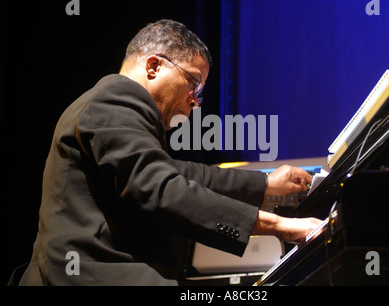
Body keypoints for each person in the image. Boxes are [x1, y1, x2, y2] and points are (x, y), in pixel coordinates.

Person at [16, 19, 321, 285]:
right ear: (153, 66)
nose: (196, 102)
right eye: (194, 85)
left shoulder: (119, 110)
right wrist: (279, 226)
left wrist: (266, 185)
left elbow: (180, 174)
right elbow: (165, 190)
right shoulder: (114, 100)